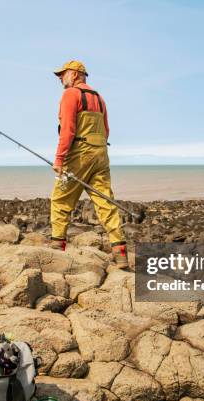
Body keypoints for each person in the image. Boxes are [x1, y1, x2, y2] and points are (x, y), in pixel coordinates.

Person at [49, 60, 129, 269]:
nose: (60, 78)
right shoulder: (99, 98)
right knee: (105, 203)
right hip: (101, 154)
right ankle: (120, 254)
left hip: (80, 154)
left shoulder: (70, 95)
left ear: (75, 74)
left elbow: (67, 130)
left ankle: (57, 249)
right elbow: (107, 130)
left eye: (62, 74)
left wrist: (59, 159)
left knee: (60, 200)